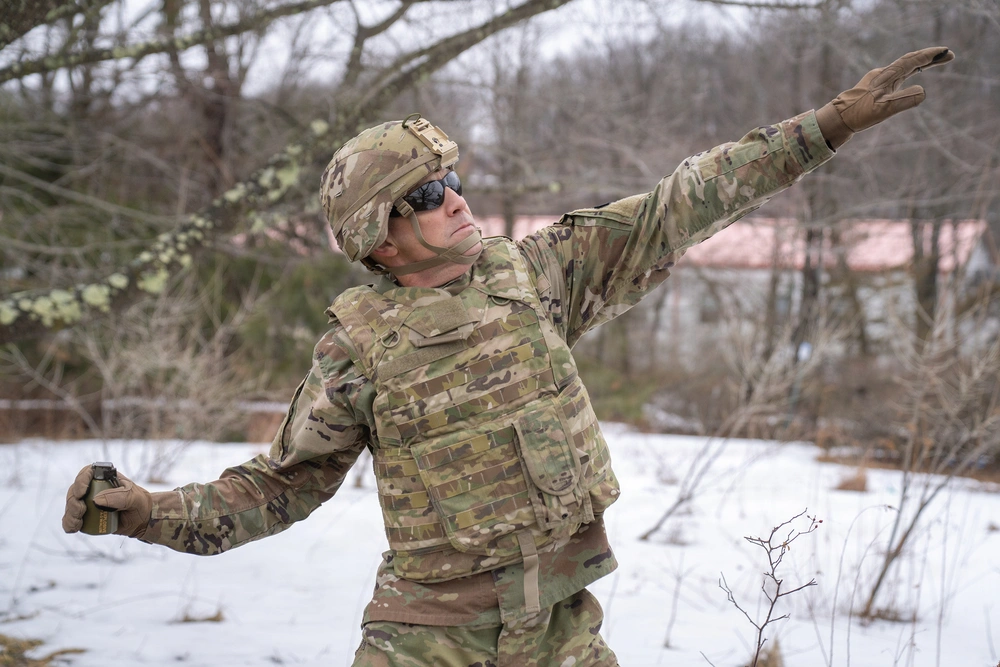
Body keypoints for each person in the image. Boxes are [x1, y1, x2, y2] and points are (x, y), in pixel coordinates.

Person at [63, 47, 954, 666]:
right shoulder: (358, 350)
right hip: (429, 638)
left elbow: (680, 204)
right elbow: (278, 485)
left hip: (561, 627)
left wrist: (827, 125)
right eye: (425, 193)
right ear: (381, 237)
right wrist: (146, 510)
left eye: (449, 176)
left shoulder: (535, 275)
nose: (454, 197)